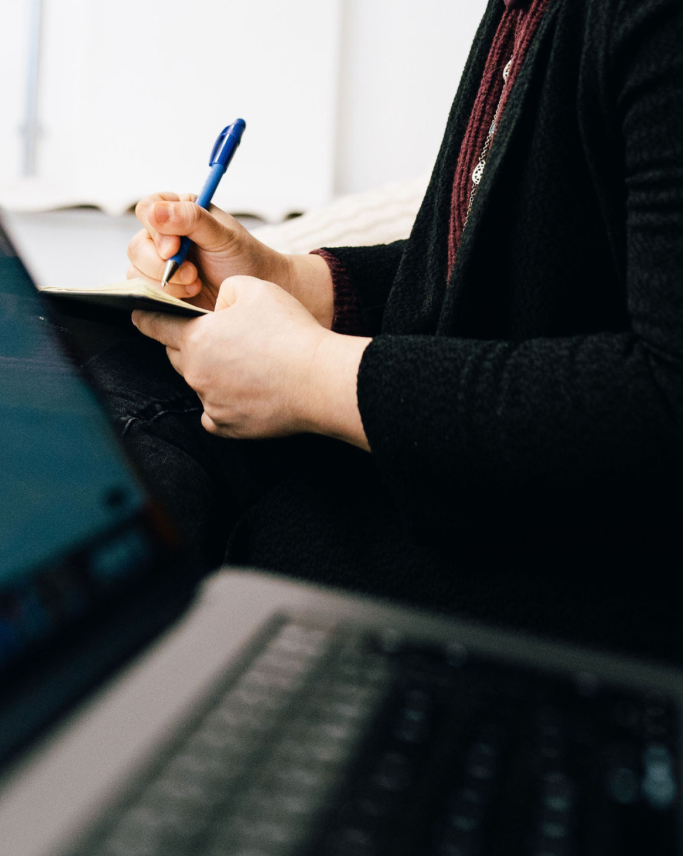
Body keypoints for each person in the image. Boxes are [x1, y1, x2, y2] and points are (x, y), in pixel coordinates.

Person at [89, 0, 683, 664]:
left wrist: (311, 376)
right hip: (465, 479)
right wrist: (291, 282)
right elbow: (525, 268)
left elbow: (665, 402)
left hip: (593, 580)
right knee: (99, 369)